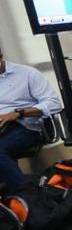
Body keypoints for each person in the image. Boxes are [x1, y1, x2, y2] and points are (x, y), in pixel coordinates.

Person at [0, 49, 62, 191]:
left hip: (27, 126)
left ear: (1, 57)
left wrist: (19, 113)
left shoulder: (27, 73)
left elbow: (54, 103)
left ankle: (29, 195)